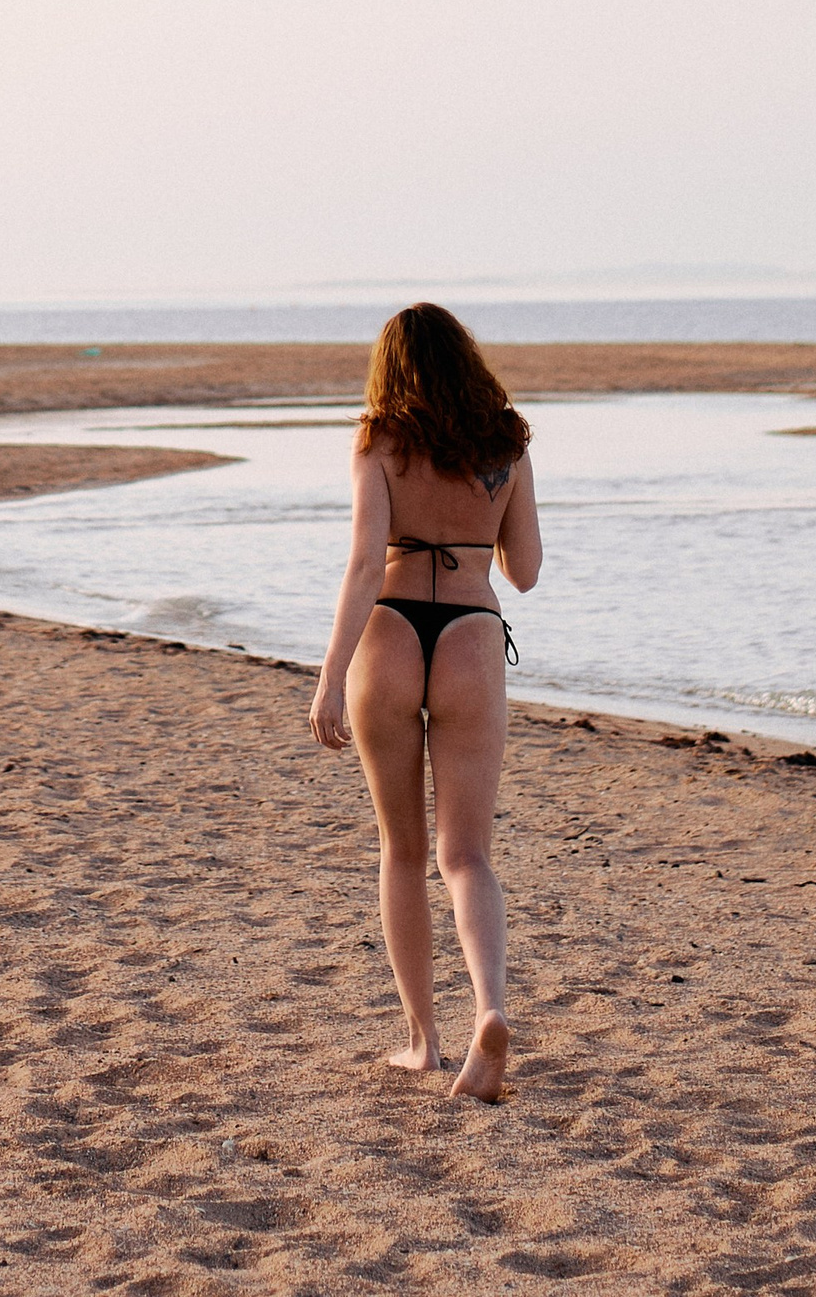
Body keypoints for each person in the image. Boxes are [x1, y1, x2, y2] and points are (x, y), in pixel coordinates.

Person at [308, 302, 542, 1101]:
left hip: (393, 632)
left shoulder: (377, 438)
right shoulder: (506, 439)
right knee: (467, 855)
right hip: (472, 631)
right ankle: (491, 1009)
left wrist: (331, 673)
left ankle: (422, 1042)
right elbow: (528, 569)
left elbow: (365, 561)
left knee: (402, 850)